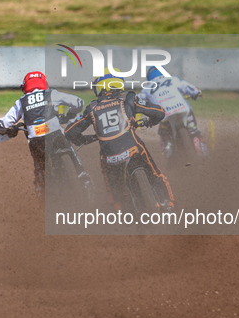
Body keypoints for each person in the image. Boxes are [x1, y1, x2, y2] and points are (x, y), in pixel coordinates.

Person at [64, 69, 175, 212]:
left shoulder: (92, 107)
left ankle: (120, 211)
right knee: (156, 174)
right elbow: (159, 112)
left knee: (113, 189)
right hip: (134, 149)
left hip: (110, 159)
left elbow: (69, 132)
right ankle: (170, 205)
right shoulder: (127, 98)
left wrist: (85, 139)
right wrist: (149, 122)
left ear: (100, 86)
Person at [0, 71, 89, 196]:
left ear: (24, 87)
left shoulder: (21, 102)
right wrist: (70, 115)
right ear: (44, 84)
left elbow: (2, 124)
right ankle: (86, 182)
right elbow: (79, 102)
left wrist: (7, 131)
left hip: (36, 141)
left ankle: (40, 193)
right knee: (72, 154)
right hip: (55, 135)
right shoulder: (52, 94)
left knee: (39, 166)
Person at [138, 67, 208, 159]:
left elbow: (138, 99)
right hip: (183, 109)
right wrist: (197, 93)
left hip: (165, 114)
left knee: (164, 133)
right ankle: (203, 153)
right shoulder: (173, 79)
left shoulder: (146, 88)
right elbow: (189, 88)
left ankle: (168, 151)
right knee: (194, 131)